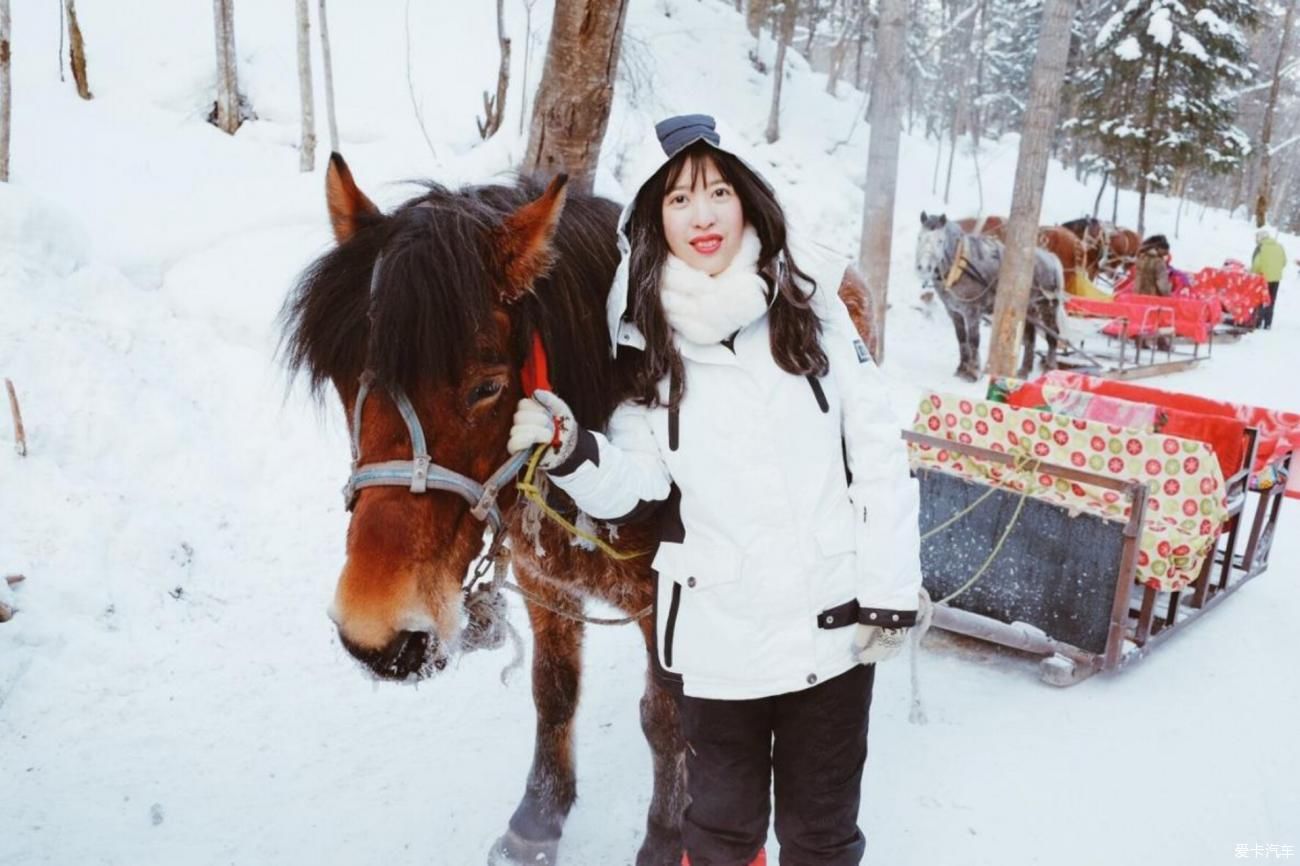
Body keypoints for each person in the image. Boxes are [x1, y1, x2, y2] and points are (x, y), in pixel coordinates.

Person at [507, 114, 923, 866]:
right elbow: (636, 485)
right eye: (677, 200)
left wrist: (889, 590)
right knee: (720, 840)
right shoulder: (643, 345)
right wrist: (571, 448)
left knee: (821, 839)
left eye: (718, 192)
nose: (701, 216)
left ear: (748, 203)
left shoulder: (815, 310)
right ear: (652, 221)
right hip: (717, 643)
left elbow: (879, 453)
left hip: (828, 635)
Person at [1251, 228, 1287, 329]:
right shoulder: (1280, 246)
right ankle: (1267, 323)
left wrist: (1253, 273)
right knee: (1271, 300)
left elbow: (1256, 263)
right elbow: (1284, 262)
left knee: (1260, 299)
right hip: (1276, 279)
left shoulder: (1261, 247)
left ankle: (1257, 322)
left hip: (1263, 278)